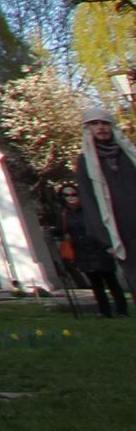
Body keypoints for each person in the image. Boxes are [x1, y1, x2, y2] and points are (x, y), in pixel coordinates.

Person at [74, 105, 136, 304]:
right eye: (94, 124)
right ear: (88, 129)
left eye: (104, 123)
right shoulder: (85, 163)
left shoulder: (129, 154)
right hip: (120, 229)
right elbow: (89, 202)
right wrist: (105, 238)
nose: (100, 127)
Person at [54, 183, 126, 318]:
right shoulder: (64, 214)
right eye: (66, 195)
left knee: (111, 281)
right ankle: (104, 312)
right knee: (96, 285)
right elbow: (62, 229)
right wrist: (52, 232)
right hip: (82, 251)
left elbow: (103, 227)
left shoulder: (90, 210)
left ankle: (122, 311)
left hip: (100, 248)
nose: (70, 198)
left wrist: (108, 246)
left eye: (74, 194)